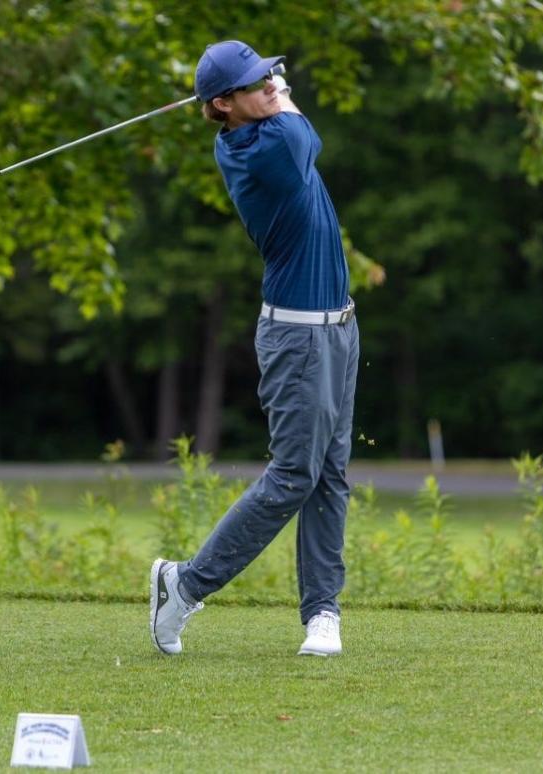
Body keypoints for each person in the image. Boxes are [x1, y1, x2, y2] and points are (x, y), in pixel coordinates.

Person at [150, 40, 359, 657]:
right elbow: (303, 135)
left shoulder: (259, 123)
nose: (270, 84)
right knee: (296, 473)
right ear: (223, 105)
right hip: (297, 336)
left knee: (330, 476)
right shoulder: (253, 148)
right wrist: (281, 95)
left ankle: (322, 611)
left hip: (340, 327)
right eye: (254, 83)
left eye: (269, 74)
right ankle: (185, 585)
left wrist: (263, 86)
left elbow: (289, 117)